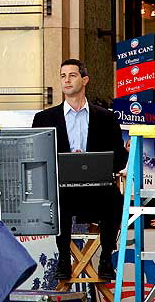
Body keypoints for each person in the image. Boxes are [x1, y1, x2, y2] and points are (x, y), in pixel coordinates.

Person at [32, 59, 127, 281]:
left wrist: (100, 161)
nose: (66, 80)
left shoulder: (105, 117)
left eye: (72, 75)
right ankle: (64, 259)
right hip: (62, 187)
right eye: (63, 75)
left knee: (115, 199)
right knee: (58, 198)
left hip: (97, 187)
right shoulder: (44, 118)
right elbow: (36, 158)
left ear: (85, 80)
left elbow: (119, 158)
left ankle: (106, 257)